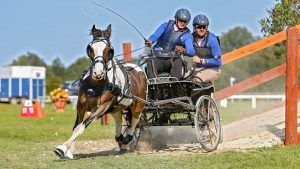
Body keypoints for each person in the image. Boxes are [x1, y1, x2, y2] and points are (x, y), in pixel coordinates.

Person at [145, 8, 195, 79]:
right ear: (176, 19)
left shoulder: (186, 35)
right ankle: (152, 83)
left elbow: (191, 51)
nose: (183, 23)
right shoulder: (165, 25)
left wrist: (183, 50)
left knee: (178, 60)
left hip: (172, 61)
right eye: (181, 20)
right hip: (157, 57)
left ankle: (175, 84)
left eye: (185, 21)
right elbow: (155, 36)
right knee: (150, 59)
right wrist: (150, 41)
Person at [188, 14, 222, 84]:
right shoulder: (190, 37)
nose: (202, 29)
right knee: (183, 78)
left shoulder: (212, 39)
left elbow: (218, 62)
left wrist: (201, 61)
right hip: (198, 68)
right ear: (194, 27)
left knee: (196, 79)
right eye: (199, 27)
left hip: (213, 69)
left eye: (204, 27)